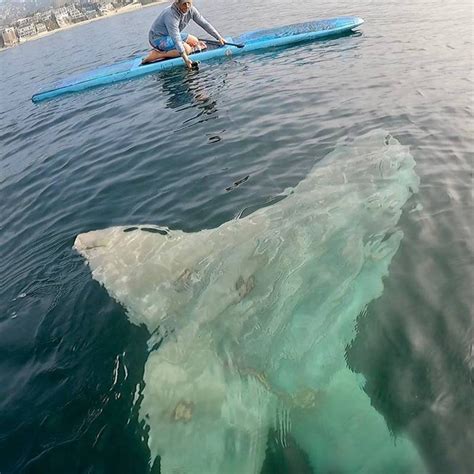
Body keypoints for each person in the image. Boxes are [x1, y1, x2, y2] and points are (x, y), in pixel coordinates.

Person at [142, 0, 225, 68]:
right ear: (177, 2)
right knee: (186, 49)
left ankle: (180, 48)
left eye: (189, 3)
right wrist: (186, 59)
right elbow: (176, 38)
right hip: (158, 39)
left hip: (170, 35)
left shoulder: (191, 9)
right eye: (184, 4)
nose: (187, 6)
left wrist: (219, 37)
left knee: (195, 41)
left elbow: (204, 23)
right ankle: (158, 54)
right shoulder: (170, 15)